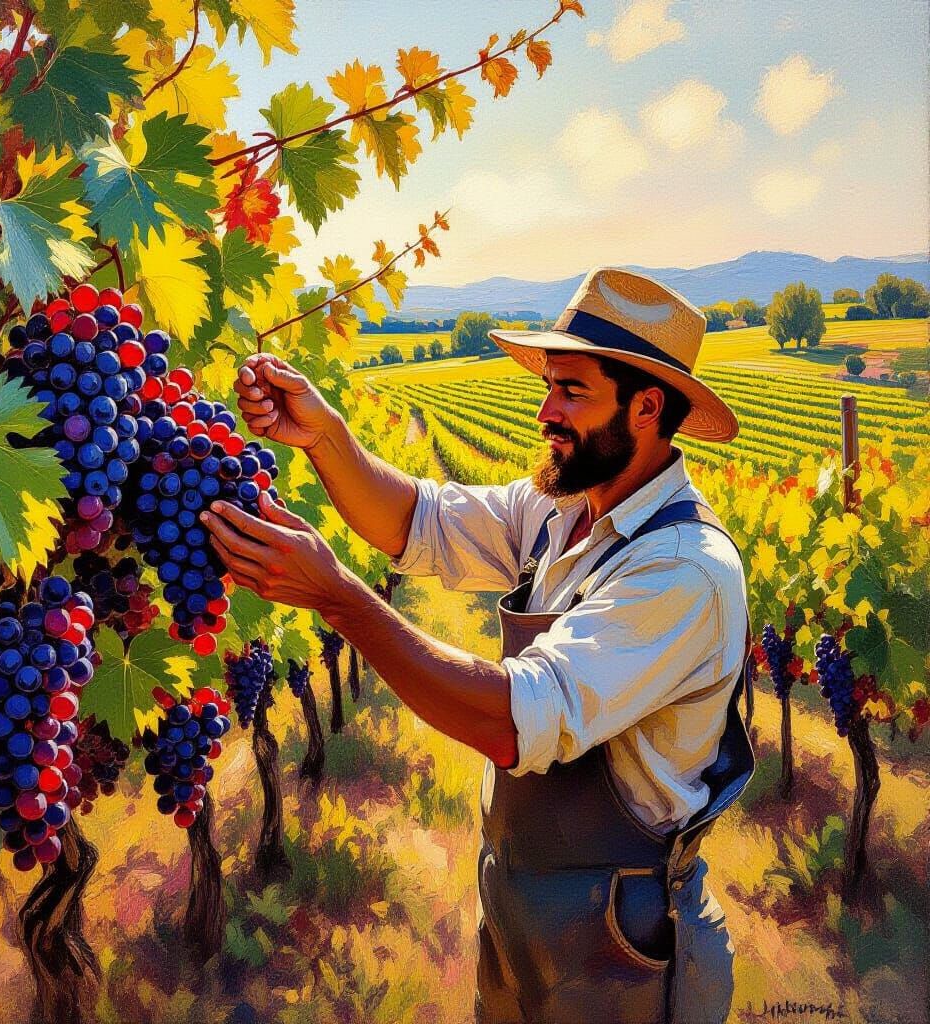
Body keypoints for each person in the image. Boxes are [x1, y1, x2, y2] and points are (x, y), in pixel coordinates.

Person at [202, 267, 755, 1024]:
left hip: (621, 947)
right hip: (528, 914)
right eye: (549, 385)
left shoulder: (683, 570)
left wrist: (337, 597)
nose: (545, 411)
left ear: (649, 406)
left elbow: (514, 718)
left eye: (572, 392)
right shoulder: (563, 512)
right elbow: (417, 521)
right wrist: (324, 434)